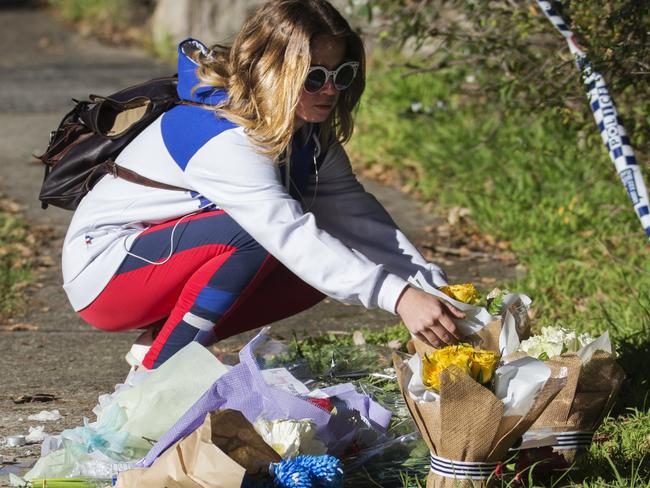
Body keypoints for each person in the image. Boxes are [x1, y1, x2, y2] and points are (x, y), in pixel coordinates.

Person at [61, 0, 464, 370]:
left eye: (342, 74)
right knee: (256, 233)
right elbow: (287, 232)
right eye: (314, 78)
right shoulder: (223, 135)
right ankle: (158, 371)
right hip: (106, 274)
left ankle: (165, 341)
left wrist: (433, 287)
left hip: (166, 259)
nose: (331, 90)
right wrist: (399, 298)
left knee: (330, 259)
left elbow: (359, 220)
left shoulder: (307, 133)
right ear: (273, 73)